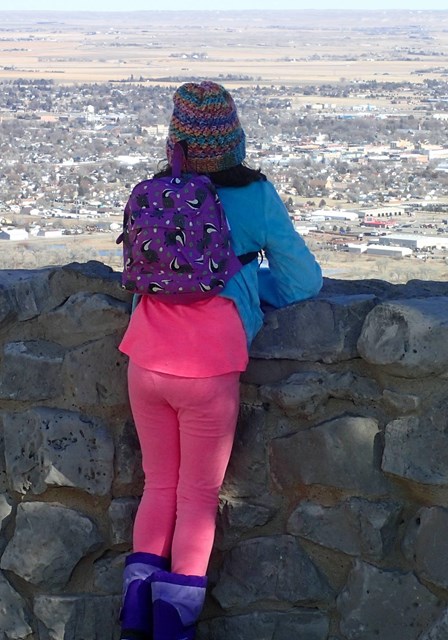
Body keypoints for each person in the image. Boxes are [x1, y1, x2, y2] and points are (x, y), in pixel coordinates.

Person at [117, 81, 323, 640]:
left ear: (175, 141)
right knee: (198, 497)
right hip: (209, 368)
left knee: (158, 486)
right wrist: (248, 290)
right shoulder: (254, 197)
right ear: (235, 140)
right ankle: (173, 628)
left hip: (145, 360)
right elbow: (304, 282)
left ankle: (134, 614)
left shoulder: (159, 193)